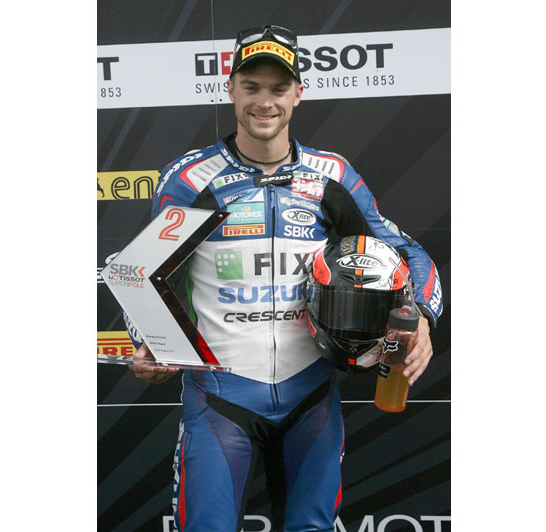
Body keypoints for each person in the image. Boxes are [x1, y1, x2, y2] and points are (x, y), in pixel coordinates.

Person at [125, 24, 443, 532]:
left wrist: (421, 314)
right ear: (230, 89)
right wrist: (148, 339)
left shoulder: (332, 175)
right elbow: (142, 272)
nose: (264, 102)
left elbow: (405, 251)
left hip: (310, 395)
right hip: (219, 395)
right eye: (251, 87)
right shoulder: (190, 180)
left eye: (278, 88)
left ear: (298, 93)